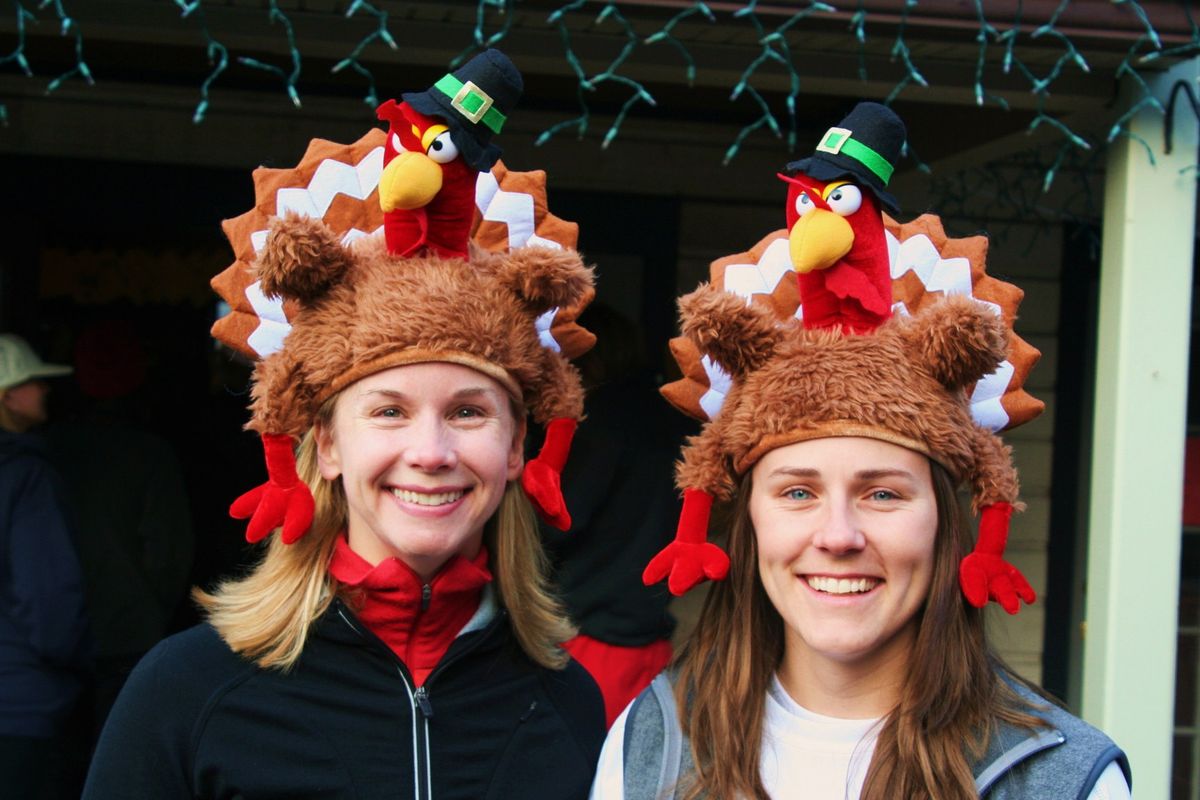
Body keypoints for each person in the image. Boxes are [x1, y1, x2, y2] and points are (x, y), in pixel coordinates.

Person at [82, 202, 606, 792]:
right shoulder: (186, 690)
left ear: (515, 448)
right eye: (389, 411)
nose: (431, 453)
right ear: (327, 445)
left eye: (467, 412)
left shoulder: (569, 702)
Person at [592, 289, 1131, 799]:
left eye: (882, 494)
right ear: (748, 516)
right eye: (799, 491)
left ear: (945, 521)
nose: (838, 536)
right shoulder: (650, 740)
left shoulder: (1063, 779)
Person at [0, 333, 92, 799]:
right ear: (8, 395)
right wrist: (75, 665)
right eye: (34, 381)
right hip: (21, 708)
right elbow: (50, 596)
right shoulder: (28, 476)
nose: (45, 390)